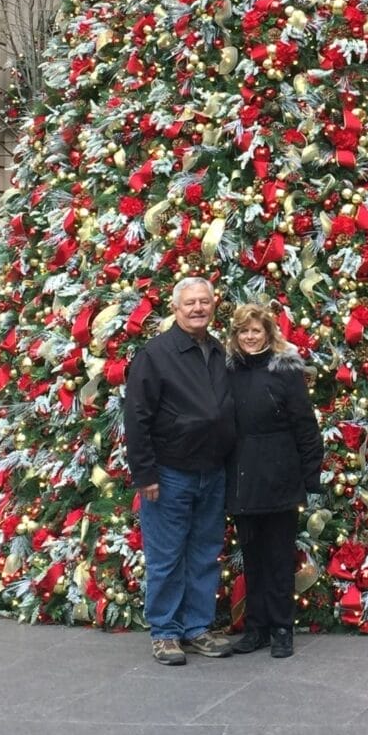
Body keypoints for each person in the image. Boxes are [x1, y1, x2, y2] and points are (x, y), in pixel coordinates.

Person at [124, 276, 236, 665]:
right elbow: (136, 417)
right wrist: (145, 473)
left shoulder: (219, 351)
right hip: (169, 473)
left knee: (205, 553)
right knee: (167, 556)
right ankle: (166, 632)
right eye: (190, 303)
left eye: (204, 302)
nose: (198, 308)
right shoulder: (156, 354)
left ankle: (197, 628)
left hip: (213, 471)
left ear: (213, 306)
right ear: (175, 308)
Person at [226, 303, 323, 659]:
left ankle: (282, 627)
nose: (250, 337)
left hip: (280, 475)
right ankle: (257, 627)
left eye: (256, 331)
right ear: (235, 336)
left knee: (280, 557)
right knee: (252, 557)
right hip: (242, 476)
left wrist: (310, 476)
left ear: (268, 333)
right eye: (243, 332)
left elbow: (305, 426)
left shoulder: (286, 371)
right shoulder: (230, 371)